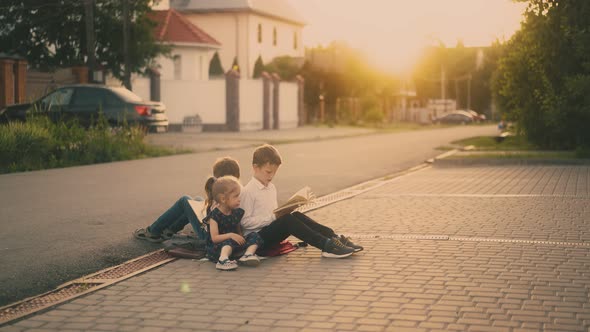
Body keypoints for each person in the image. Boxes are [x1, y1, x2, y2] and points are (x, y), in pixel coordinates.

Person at [240, 144, 363, 259]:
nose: (271, 176)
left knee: (296, 215)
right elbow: (245, 223)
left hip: (270, 232)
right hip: (256, 240)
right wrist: (273, 217)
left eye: (274, 172)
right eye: (268, 172)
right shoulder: (248, 191)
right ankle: (327, 246)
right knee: (288, 220)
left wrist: (285, 210)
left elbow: (274, 215)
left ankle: (335, 238)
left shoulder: (271, 187)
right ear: (255, 167)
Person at [133, 157, 240, 243]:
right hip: (221, 229)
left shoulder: (222, 193)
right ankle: (169, 231)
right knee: (198, 200)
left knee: (185, 200)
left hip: (210, 236)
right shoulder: (236, 191)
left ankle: (153, 231)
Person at [203, 176, 263, 270]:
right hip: (218, 248)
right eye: (235, 196)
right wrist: (231, 235)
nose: (239, 199)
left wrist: (241, 238)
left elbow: (238, 230)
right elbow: (214, 238)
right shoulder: (214, 216)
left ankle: (248, 255)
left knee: (254, 235)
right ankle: (222, 260)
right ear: (223, 199)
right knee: (230, 241)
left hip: (234, 245)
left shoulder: (236, 212)